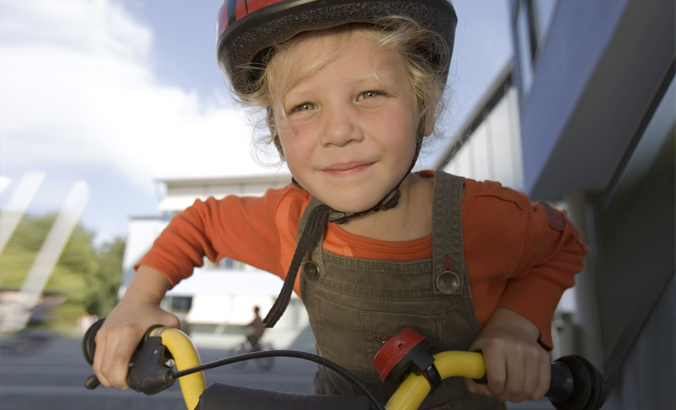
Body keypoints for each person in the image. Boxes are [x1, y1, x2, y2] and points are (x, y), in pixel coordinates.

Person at [92, 1, 589, 408]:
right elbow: (200, 223)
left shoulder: (479, 216)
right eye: (305, 106)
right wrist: (138, 301)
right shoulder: (290, 220)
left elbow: (560, 244)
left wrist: (515, 327)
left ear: (425, 108)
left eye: (369, 93)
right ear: (275, 130)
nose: (338, 131)